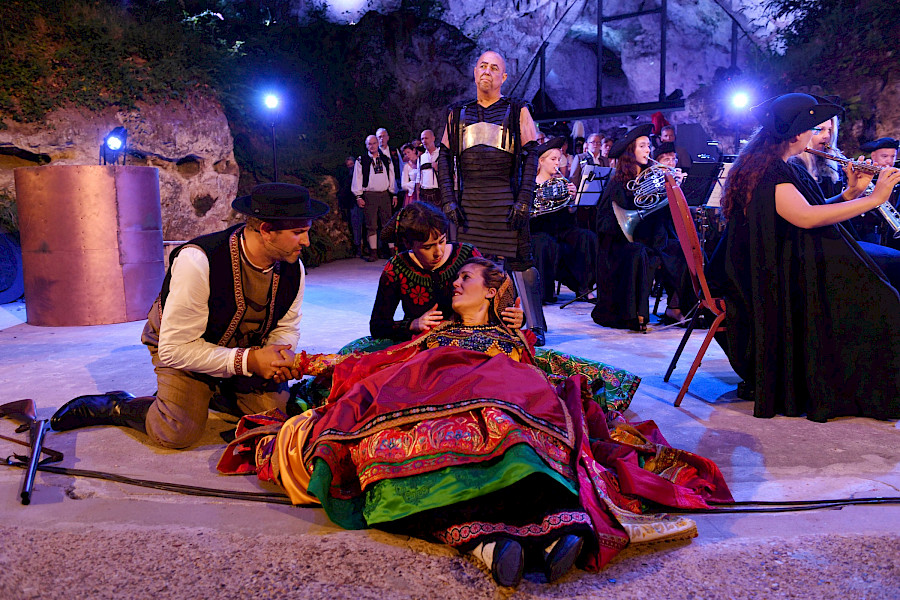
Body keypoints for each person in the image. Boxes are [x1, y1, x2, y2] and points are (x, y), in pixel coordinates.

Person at [219, 258, 732, 587]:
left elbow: (551, 378)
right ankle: (506, 539)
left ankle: (523, 533)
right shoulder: (434, 336)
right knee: (404, 451)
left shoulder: (513, 342)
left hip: (500, 398)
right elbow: (372, 361)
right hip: (433, 399)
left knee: (517, 432)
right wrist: (301, 363)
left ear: (491, 293)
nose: (455, 284)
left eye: (466, 279)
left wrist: (522, 344)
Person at [50, 183, 330, 448]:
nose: (306, 241)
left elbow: (286, 325)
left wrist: (278, 354)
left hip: (243, 348)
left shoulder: (293, 268)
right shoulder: (199, 260)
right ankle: (119, 405)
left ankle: (218, 392)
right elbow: (175, 348)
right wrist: (251, 361)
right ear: (266, 230)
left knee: (273, 418)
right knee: (176, 431)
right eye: (298, 232)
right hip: (185, 347)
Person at [713, 92, 900, 421]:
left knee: (883, 268)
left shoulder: (773, 164)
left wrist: (852, 193)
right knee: (882, 293)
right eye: (814, 129)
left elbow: (804, 210)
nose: (819, 136)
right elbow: (806, 218)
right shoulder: (771, 171)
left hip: (784, 261)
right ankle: (859, 387)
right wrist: (875, 199)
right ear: (797, 133)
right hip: (771, 276)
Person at [437, 49, 547, 346]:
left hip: (507, 201)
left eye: (494, 67)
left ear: (504, 77)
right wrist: (448, 199)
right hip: (469, 204)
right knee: (466, 262)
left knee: (522, 262)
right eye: (482, 66)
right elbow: (444, 157)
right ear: (475, 72)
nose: (487, 71)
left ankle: (535, 324)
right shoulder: (457, 113)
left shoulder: (517, 110)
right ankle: (467, 319)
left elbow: (531, 155)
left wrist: (524, 199)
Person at [369, 202, 523, 341]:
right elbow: (377, 326)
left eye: (442, 241)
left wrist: (516, 318)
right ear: (408, 244)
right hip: (425, 346)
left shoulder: (467, 254)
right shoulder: (397, 268)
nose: (439, 252)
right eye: (427, 247)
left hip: (471, 339)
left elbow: (499, 301)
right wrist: (412, 324)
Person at [591, 124, 693, 331]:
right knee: (638, 253)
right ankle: (636, 314)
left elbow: (666, 217)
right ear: (631, 152)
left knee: (684, 249)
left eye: (648, 146)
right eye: (642, 146)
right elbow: (604, 223)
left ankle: (675, 307)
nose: (648, 150)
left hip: (654, 238)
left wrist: (674, 189)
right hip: (623, 243)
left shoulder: (656, 178)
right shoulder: (617, 183)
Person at [530, 137, 598, 303]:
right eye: (553, 159)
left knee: (587, 237)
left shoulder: (561, 183)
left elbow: (570, 214)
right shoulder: (531, 185)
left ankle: (584, 287)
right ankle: (545, 292)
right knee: (546, 243)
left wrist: (573, 199)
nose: (557, 163)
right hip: (539, 229)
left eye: (558, 159)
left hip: (562, 228)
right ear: (541, 161)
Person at [352, 134, 398, 262]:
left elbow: (392, 176)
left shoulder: (385, 159)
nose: (372, 146)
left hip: (384, 194)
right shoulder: (362, 160)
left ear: (378, 144)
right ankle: (373, 252)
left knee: (387, 223)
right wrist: (358, 196)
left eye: (374, 143)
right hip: (370, 195)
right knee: (371, 225)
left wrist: (394, 193)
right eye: (369, 144)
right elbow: (357, 178)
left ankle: (391, 250)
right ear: (366, 146)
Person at [860, 137, 900, 247]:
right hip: (868, 232)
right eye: (884, 156)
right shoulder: (863, 174)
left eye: (893, 156)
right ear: (873, 156)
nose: (889, 161)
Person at [417, 129, 441, 207]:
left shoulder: (441, 154)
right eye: (422, 139)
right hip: (424, 194)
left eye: (426, 138)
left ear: (433, 138)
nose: (424, 141)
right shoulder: (421, 157)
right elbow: (418, 178)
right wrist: (418, 197)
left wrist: (438, 169)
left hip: (438, 193)